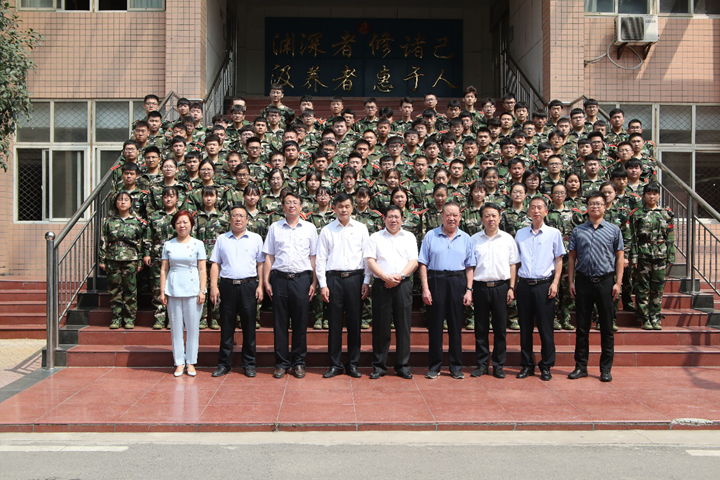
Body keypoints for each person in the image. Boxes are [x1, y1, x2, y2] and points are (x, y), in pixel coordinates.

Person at [567, 191, 624, 383]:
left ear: (605, 207)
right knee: (582, 328)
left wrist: (618, 282)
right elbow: (572, 257)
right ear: (587, 207)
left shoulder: (614, 230)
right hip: (583, 282)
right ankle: (580, 366)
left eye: (599, 204)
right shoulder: (578, 231)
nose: (595, 207)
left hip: (605, 282)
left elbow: (620, 257)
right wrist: (571, 281)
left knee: (606, 328)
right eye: (591, 204)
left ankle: (605, 369)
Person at [263, 192, 318, 379]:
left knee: (300, 323)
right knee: (280, 323)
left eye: (295, 202)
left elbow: (314, 257)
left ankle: (299, 362)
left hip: (301, 280)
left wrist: (314, 281)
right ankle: (281, 363)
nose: (291, 205)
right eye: (288, 202)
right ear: (282, 206)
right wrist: (266, 280)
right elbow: (269, 255)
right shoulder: (275, 227)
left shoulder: (310, 228)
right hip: (279, 279)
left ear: (301, 206)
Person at [316, 193, 371, 379]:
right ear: (335, 208)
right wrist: (323, 285)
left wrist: (366, 281)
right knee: (334, 325)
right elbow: (321, 259)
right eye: (340, 206)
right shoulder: (327, 230)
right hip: (334, 280)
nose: (344, 210)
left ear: (352, 207)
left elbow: (367, 257)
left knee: (355, 324)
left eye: (347, 206)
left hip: (355, 279)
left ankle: (353, 364)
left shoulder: (361, 229)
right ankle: (335, 364)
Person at [418, 202, 475, 379]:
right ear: (441, 216)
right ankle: (434, 366)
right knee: (435, 326)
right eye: (448, 215)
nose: (451, 218)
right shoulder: (431, 235)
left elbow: (469, 266)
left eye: (455, 215)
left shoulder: (466, 238)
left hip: (458, 281)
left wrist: (469, 289)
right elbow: (423, 263)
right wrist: (425, 289)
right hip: (436, 280)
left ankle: (455, 367)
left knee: (455, 326)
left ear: (460, 217)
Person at [209, 204, 265, 378]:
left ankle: (249, 364)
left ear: (247, 220)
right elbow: (215, 264)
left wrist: (261, 285)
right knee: (227, 327)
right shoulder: (222, 239)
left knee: (249, 326)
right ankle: (224, 364)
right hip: (227, 286)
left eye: (241, 216)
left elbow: (261, 264)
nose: (238, 219)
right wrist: (213, 286)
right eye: (235, 215)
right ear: (230, 219)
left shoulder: (256, 238)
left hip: (249, 286)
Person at [514, 196, 566, 381]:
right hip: (524, 285)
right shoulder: (520, 234)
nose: (536, 210)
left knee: (546, 328)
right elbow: (516, 262)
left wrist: (555, 283)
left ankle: (546, 366)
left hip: (544, 285)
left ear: (546, 211)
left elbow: (558, 259)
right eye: (533, 207)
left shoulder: (553, 233)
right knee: (525, 328)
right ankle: (527, 365)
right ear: (528, 211)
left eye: (539, 207)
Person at [364, 205, 418, 379]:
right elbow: (370, 261)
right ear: (384, 219)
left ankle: (403, 366)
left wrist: (400, 277)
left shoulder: (409, 237)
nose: (393, 220)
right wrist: (385, 277)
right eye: (390, 217)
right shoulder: (375, 237)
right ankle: (379, 366)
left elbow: (413, 261)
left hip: (403, 284)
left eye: (396, 217)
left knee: (403, 326)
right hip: (382, 285)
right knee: (381, 327)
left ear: (402, 219)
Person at [469, 203, 519, 379]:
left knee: (500, 328)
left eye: (494, 215)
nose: (491, 219)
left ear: (499, 217)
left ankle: (498, 365)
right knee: (480, 328)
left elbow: (513, 264)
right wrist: (470, 289)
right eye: (487, 216)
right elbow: (470, 266)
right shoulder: (474, 239)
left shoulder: (508, 239)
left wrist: (511, 287)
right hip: (480, 287)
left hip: (501, 287)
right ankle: (482, 364)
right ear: (481, 219)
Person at [159, 211, 207, 377]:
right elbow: (164, 269)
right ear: (174, 225)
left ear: (191, 225)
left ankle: (191, 362)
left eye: (185, 222)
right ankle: (179, 362)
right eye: (179, 222)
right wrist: (163, 291)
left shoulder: (198, 244)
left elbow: (202, 269)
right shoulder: (168, 245)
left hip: (193, 289)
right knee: (176, 328)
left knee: (193, 329)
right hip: (174, 288)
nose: (182, 226)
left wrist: (202, 290)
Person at [630, 182, 675, 330]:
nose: (652, 196)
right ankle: (644, 318)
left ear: (659, 195)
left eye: (654, 193)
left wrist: (671, 256)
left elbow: (670, 236)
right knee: (643, 287)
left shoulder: (666, 214)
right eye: (649, 193)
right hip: (643, 254)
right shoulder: (637, 214)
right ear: (644, 195)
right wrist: (634, 256)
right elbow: (633, 237)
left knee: (658, 288)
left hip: (660, 254)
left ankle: (655, 317)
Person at [99, 192, 146, 330]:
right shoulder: (109, 221)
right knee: (115, 290)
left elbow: (141, 243)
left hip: (130, 259)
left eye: (126, 200)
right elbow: (103, 241)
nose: (123, 202)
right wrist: (102, 259)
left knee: (130, 290)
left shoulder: (137, 222)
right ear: (116, 203)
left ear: (131, 203)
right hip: (113, 258)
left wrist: (140, 261)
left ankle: (130, 319)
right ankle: (117, 318)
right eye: (120, 200)